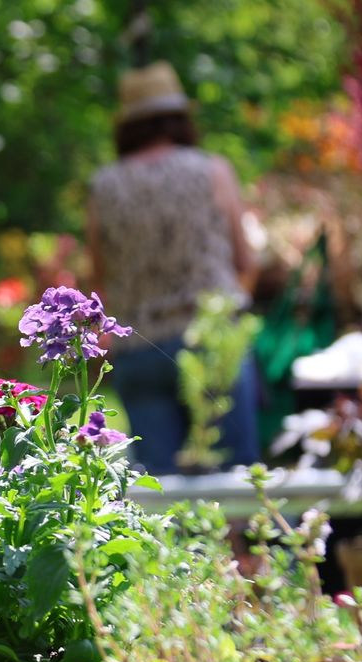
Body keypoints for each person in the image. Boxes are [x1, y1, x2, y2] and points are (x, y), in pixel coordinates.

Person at [86, 61, 260, 474]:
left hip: (139, 351)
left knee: (162, 500)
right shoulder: (212, 171)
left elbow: (98, 282)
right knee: (234, 487)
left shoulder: (104, 186)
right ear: (180, 117)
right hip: (213, 345)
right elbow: (246, 262)